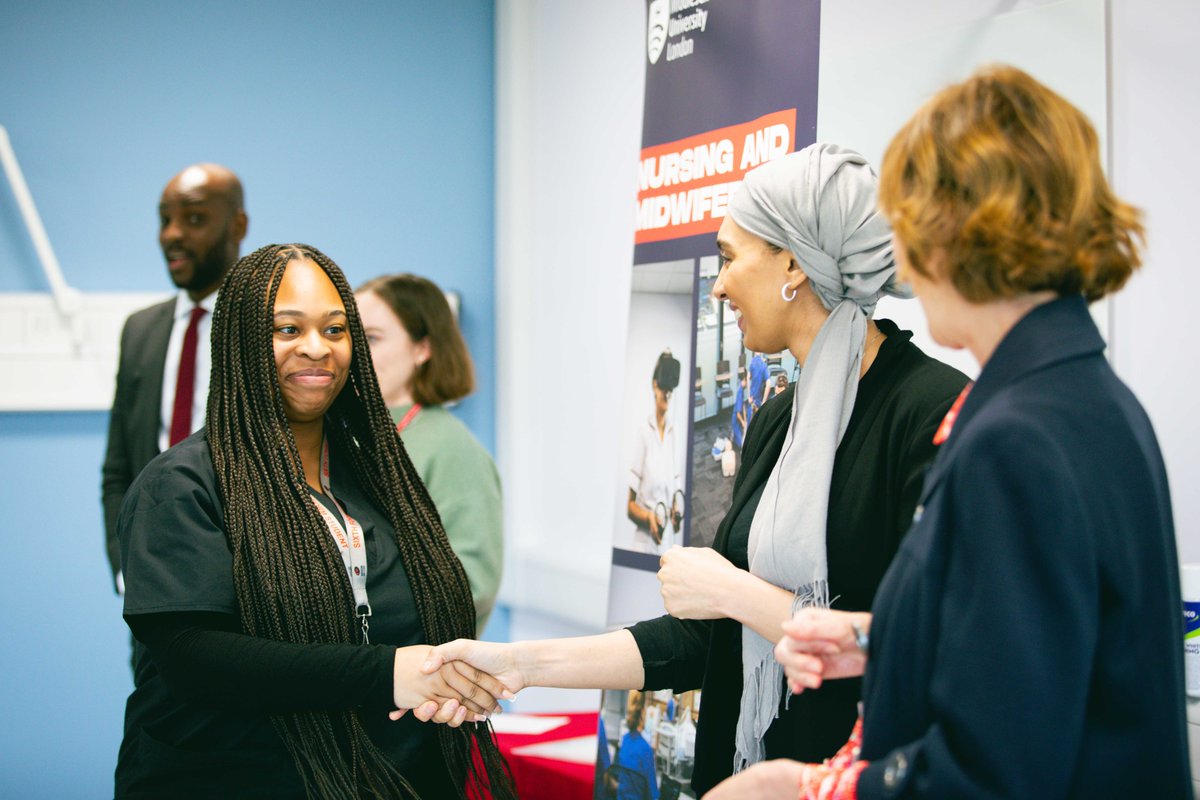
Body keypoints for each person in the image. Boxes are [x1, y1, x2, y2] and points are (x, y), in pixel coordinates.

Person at [423, 143, 969, 796]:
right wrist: (518, 664)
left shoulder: (933, 415)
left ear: (793, 263)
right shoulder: (777, 422)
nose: (718, 284)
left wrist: (732, 592)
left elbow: (932, 646)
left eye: (730, 257)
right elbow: (703, 641)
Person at [711, 65, 1191, 799]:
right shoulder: (1089, 400)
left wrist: (807, 790)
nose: (895, 259)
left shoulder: (1014, 438)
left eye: (905, 223)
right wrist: (874, 639)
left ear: (955, 231)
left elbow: (997, 769)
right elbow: (1035, 646)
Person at [115, 244, 516, 799]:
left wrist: (441, 676)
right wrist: (390, 675)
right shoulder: (180, 486)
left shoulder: (380, 479)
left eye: (335, 330)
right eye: (286, 329)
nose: (316, 348)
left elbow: (429, 615)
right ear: (241, 343)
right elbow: (194, 660)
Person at [101, 163, 248, 593]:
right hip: (152, 584)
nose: (172, 234)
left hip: (245, 584)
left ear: (237, 225)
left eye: (195, 218)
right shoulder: (141, 331)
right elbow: (118, 468)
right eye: (165, 220)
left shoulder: (269, 325)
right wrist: (125, 565)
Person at [355, 273, 502, 635]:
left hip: (413, 674)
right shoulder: (337, 434)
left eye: (371, 338)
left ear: (423, 349)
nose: (353, 351)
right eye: (346, 334)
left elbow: (471, 587)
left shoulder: (452, 449)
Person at [626, 350, 684, 551]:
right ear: (654, 384)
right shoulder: (643, 432)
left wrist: (676, 513)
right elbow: (630, 508)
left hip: (667, 543)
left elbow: (675, 494)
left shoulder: (673, 433)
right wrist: (649, 517)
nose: (667, 392)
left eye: (671, 389)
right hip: (644, 544)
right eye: (663, 386)